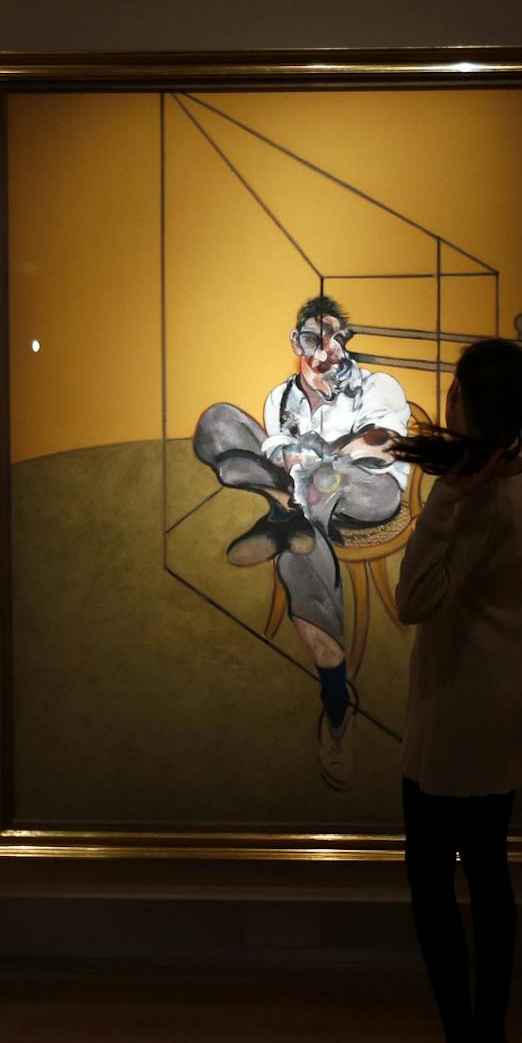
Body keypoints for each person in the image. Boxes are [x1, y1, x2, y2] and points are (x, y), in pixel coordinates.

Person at [389, 339, 522, 1043]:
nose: (447, 401)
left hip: (457, 714)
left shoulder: (477, 500)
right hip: (511, 713)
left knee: (433, 883)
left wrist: (445, 499)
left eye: (455, 391)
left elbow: (412, 598)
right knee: (492, 873)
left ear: (473, 405)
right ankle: (491, 1039)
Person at [191, 295, 410, 789]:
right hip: (308, 496)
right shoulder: (280, 398)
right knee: (219, 422)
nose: (324, 348)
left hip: (366, 491)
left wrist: (317, 459)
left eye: (334, 336)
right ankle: (288, 517)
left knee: (323, 478)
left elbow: (382, 441)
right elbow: (274, 443)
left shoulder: (376, 386)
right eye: (313, 337)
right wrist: (289, 461)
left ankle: (282, 512)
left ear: (344, 341)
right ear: (297, 341)